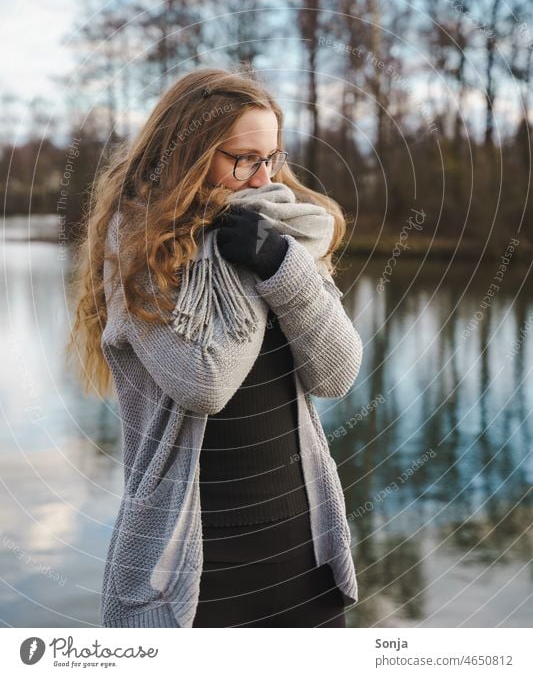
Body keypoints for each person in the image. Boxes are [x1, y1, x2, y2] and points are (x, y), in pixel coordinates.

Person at [66, 67, 364, 628]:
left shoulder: (284, 235)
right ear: (189, 154)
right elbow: (204, 383)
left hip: (303, 552)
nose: (261, 178)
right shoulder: (137, 247)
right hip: (192, 568)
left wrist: (281, 264)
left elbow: (337, 373)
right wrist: (249, 267)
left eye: (271, 157)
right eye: (242, 159)